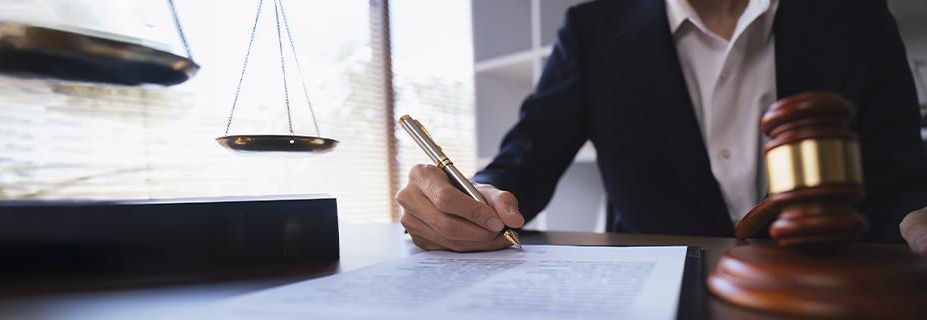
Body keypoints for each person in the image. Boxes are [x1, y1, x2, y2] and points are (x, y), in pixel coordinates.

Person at [396, 0, 927, 253]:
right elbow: (526, 161)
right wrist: (473, 199)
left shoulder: (855, 16)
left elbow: (900, 174)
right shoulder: (591, 30)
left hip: (830, 286)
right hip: (654, 296)